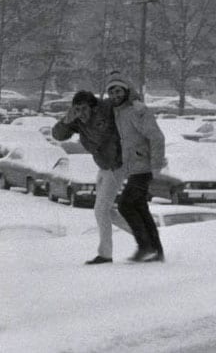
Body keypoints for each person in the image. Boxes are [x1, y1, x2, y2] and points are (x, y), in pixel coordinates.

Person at [51, 90, 124, 265]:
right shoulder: (78, 120)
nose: (81, 113)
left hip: (118, 164)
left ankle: (105, 255)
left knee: (100, 210)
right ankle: (146, 236)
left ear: (93, 107)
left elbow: (126, 105)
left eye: (84, 109)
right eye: (77, 109)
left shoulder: (106, 109)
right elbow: (57, 135)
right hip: (104, 166)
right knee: (107, 212)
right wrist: (66, 121)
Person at [106, 71, 166, 262]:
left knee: (125, 205)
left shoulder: (137, 110)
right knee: (140, 207)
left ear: (126, 91)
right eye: (112, 92)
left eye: (118, 91)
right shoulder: (120, 111)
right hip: (134, 167)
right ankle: (156, 250)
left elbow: (157, 137)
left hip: (144, 167)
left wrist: (156, 164)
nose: (115, 96)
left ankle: (145, 246)